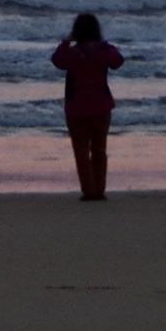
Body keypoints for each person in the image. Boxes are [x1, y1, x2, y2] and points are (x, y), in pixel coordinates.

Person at [51, 13, 125, 201]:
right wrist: (104, 44)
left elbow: (57, 60)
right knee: (99, 150)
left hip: (77, 107)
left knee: (81, 151)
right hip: (101, 106)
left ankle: (89, 190)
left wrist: (66, 42)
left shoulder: (73, 53)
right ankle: (99, 189)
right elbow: (118, 60)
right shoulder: (102, 51)